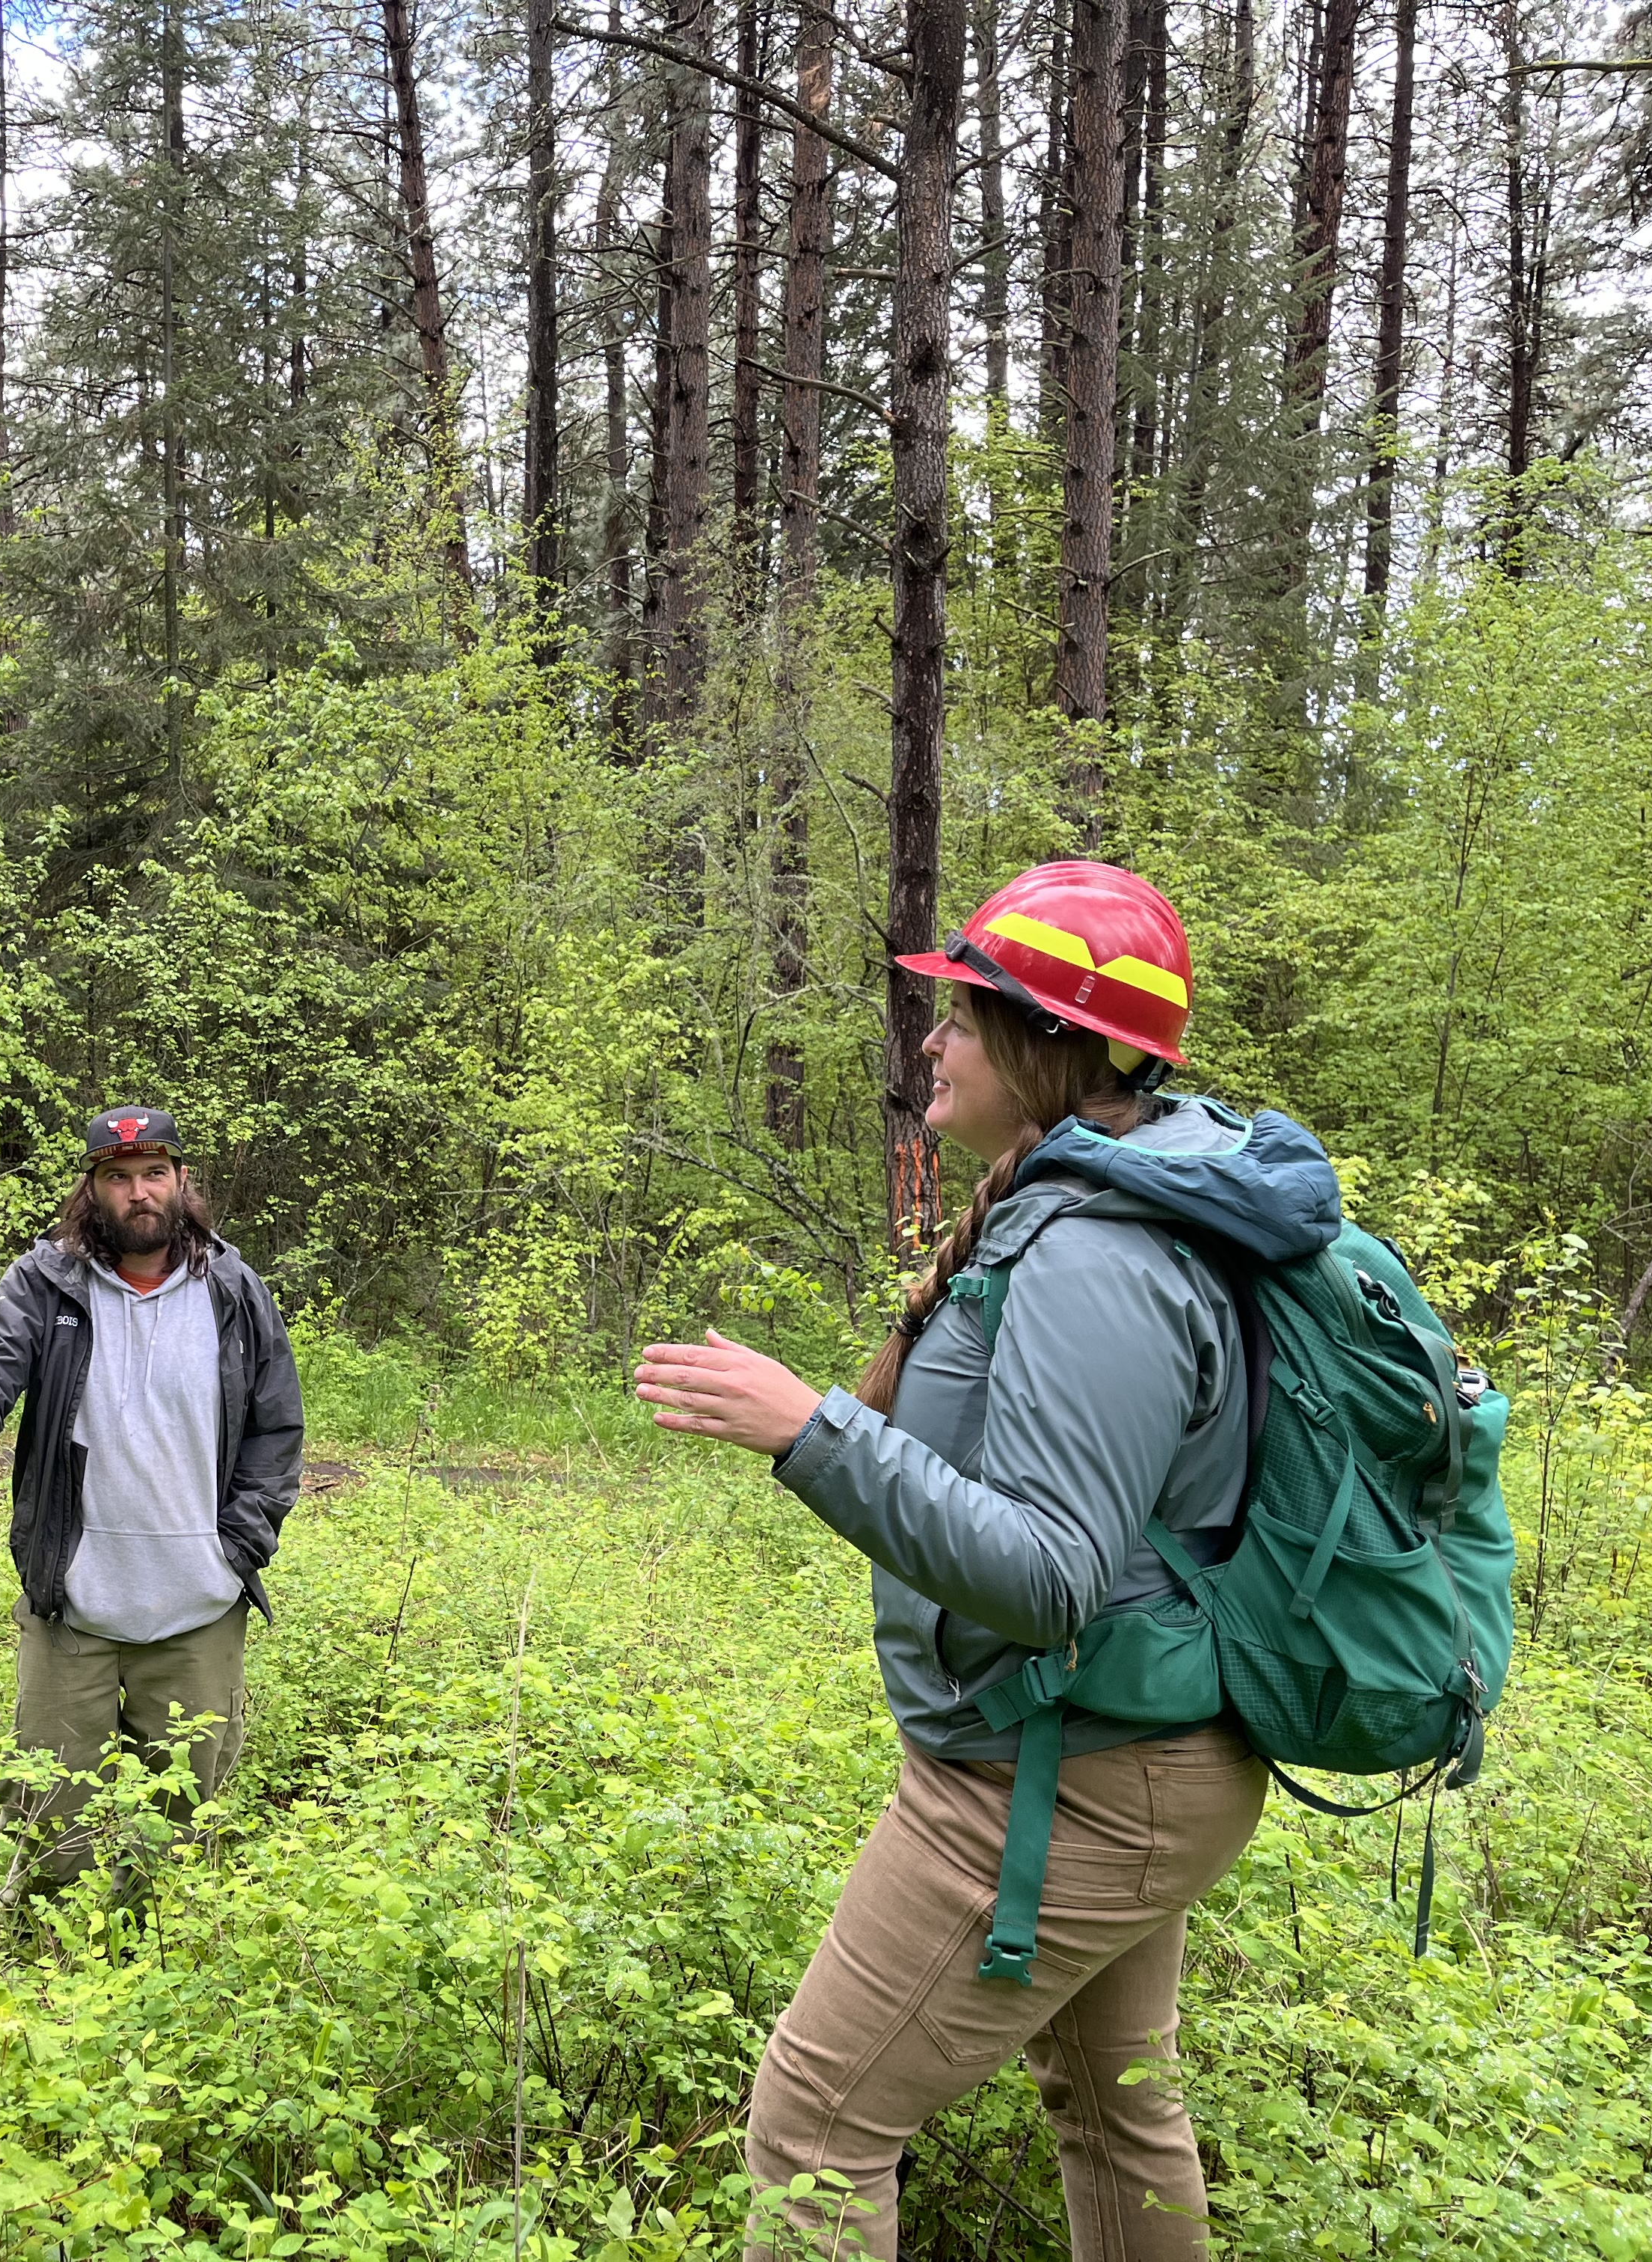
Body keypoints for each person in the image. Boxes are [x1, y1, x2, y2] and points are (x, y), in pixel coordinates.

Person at [633, 863, 1342, 2262]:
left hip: (1072, 1769)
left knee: (815, 2121)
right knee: (1114, 2102)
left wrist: (811, 1429)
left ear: (1052, 1044)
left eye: (961, 1013)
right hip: (1114, 1738)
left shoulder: (1098, 1252)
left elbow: (1051, 1570)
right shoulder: (1086, 1197)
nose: (930, 1041)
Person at [0, 1106, 303, 1892]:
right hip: (74, 1604)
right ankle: (50, 1975)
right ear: (91, 1191)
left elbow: (276, 1426)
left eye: (154, 1174)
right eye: (117, 1178)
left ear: (182, 1181)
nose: (139, 1193)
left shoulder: (232, 1290)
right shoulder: (45, 1281)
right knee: (56, 1829)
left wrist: (238, 1547)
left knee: (184, 1837)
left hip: (199, 1607)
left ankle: (165, 1984)